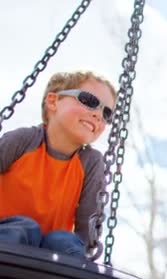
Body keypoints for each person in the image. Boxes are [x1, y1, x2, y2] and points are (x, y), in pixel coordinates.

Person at [0, 71, 116, 259]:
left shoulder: (90, 164)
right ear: (53, 102)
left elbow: (85, 231)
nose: (98, 115)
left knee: (64, 241)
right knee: (26, 229)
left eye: (107, 113)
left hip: (51, 260)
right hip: (7, 240)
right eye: (89, 100)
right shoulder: (23, 141)